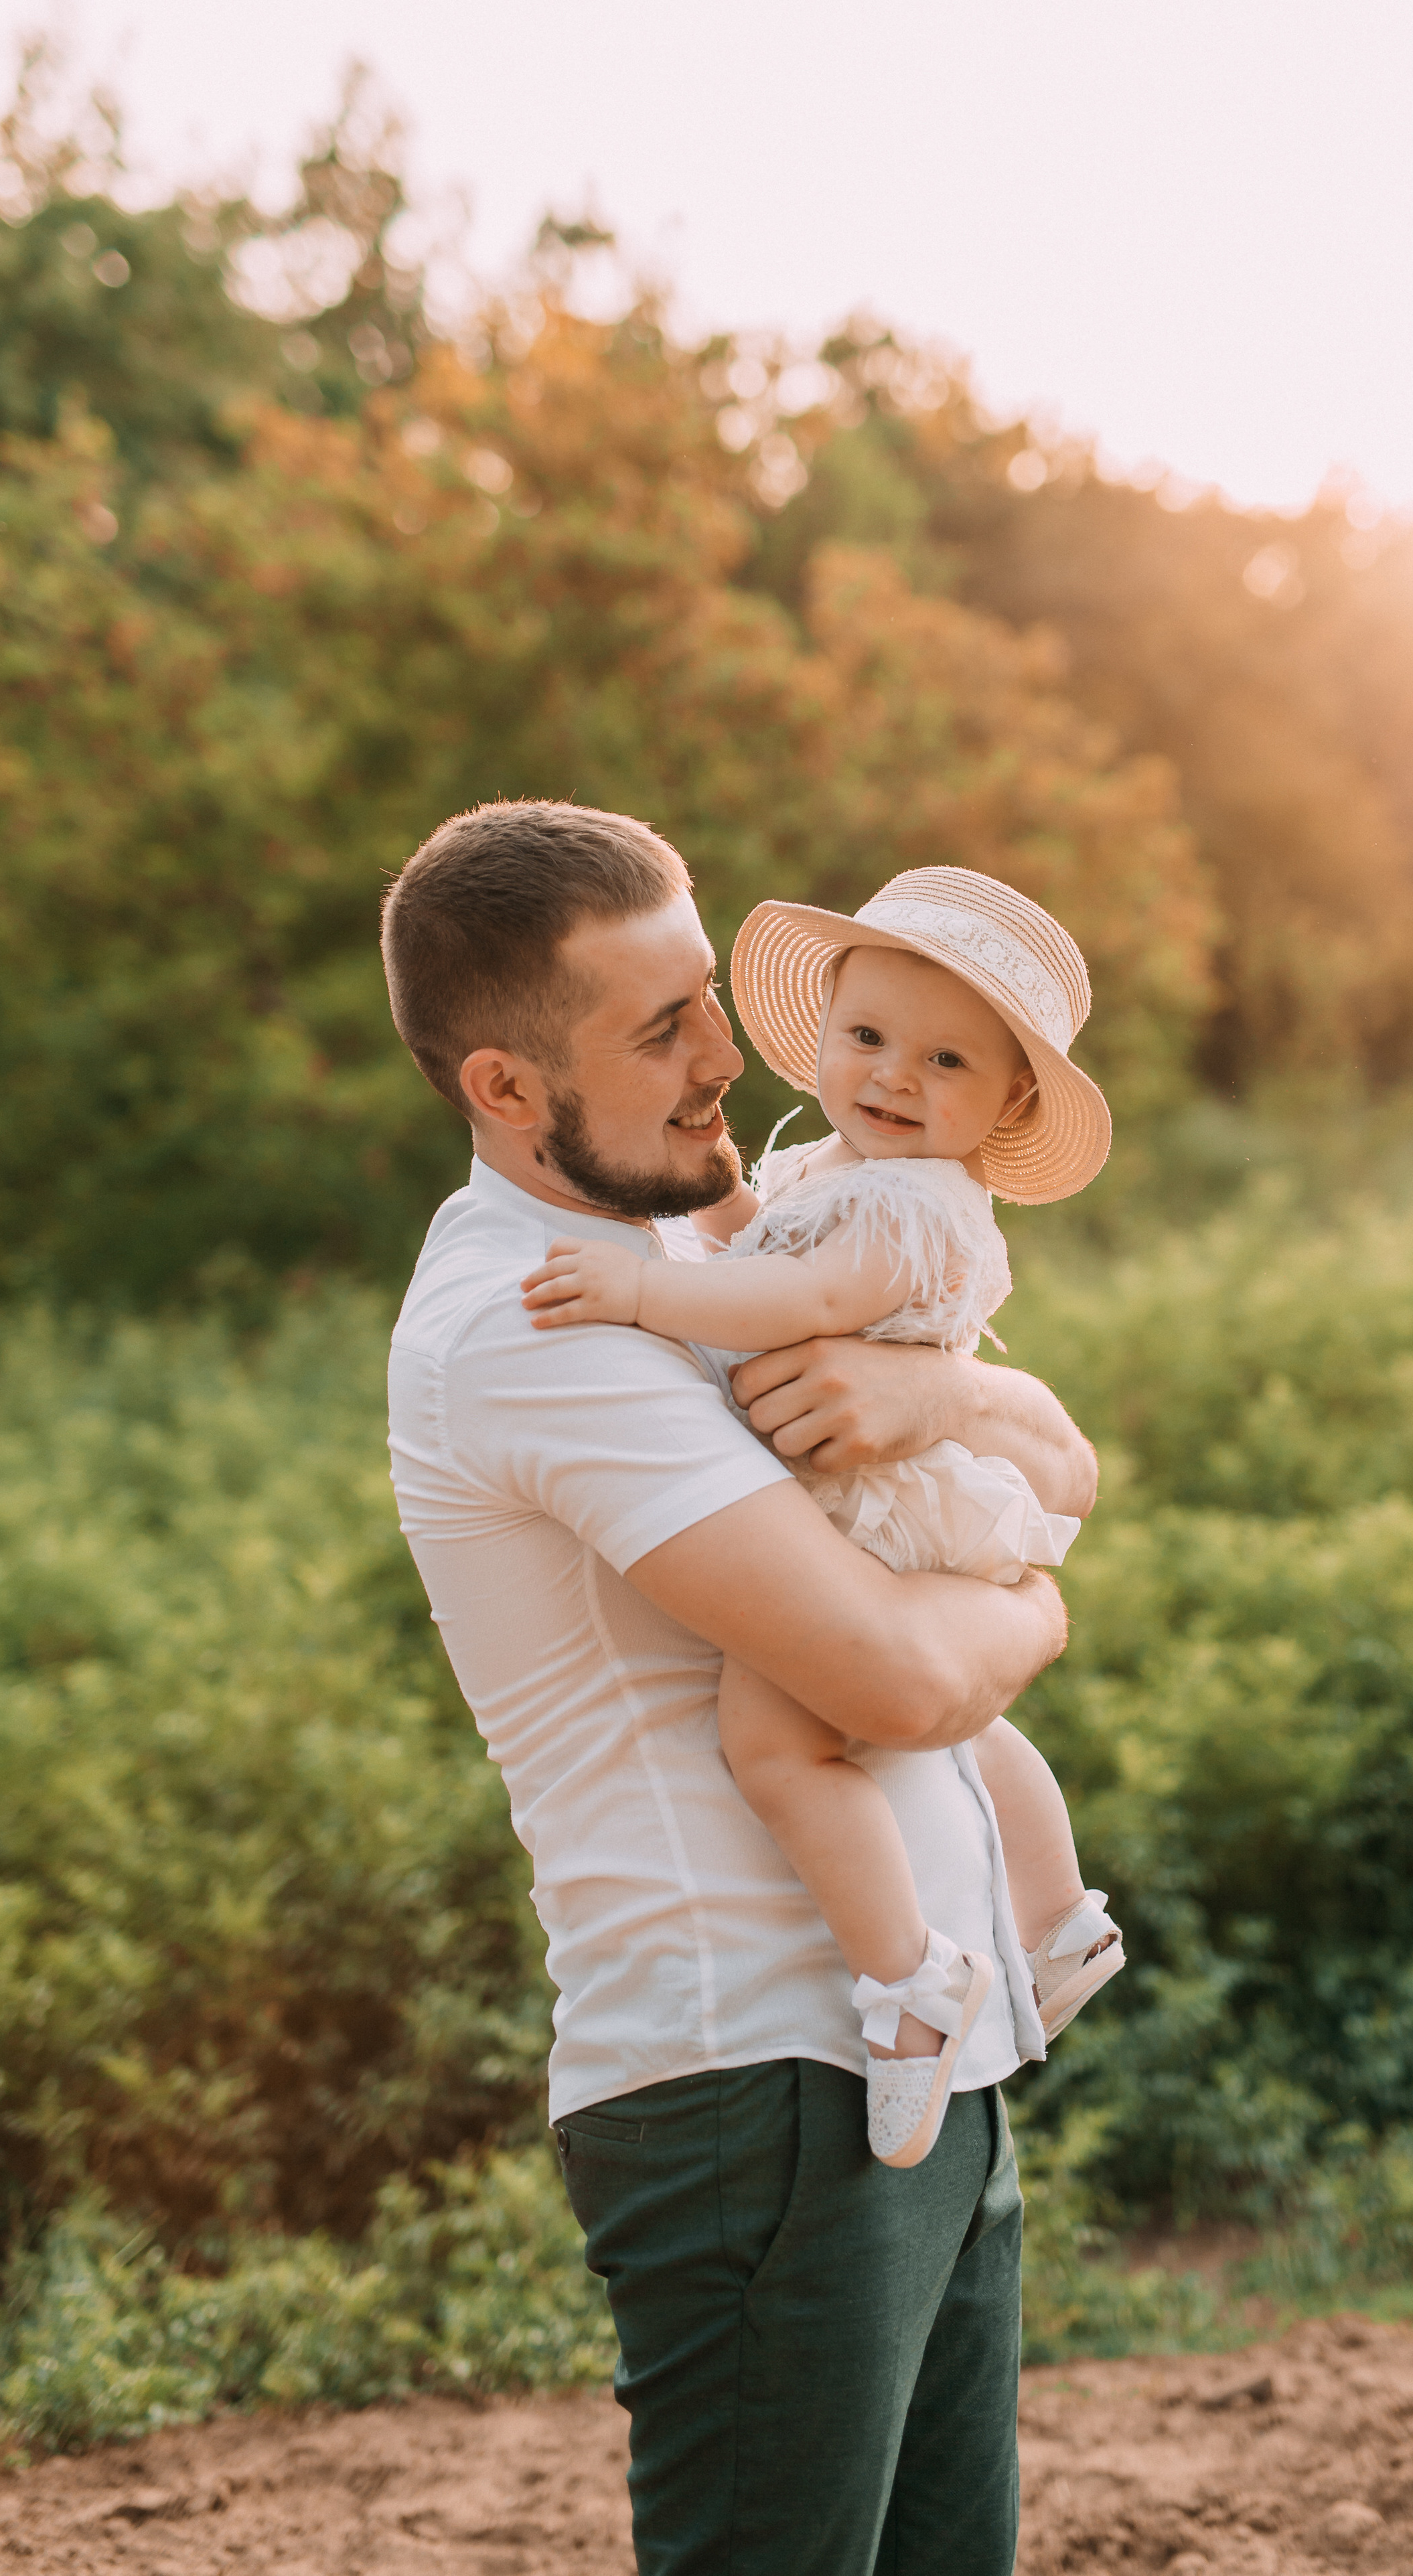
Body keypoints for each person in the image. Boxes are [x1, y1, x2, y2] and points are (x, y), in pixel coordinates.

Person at [381, 799, 1095, 2576]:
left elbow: (1064, 1456)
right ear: (506, 1085)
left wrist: (942, 1400)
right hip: (757, 2076)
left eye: (709, 996)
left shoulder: (703, 1252)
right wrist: (1039, 1615)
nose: (723, 1056)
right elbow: (896, 1678)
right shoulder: (537, 1324)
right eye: (660, 1028)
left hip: (914, 2056)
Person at [518, 867, 1124, 2172]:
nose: (894, 1077)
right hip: (891, 1489)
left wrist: (637, 1289)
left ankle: (907, 1982)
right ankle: (1061, 1915)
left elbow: (802, 1300)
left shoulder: (910, 1203)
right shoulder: (847, 1169)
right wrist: (720, 1196)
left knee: (777, 1739)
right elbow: (772, 1248)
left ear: (1008, 1103)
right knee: (969, 1720)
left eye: (945, 1060)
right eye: (868, 1037)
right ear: (826, 1033)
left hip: (872, 1498)